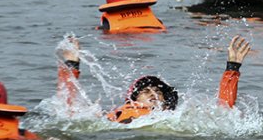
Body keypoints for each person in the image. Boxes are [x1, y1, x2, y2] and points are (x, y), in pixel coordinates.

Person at [57, 35, 252, 123]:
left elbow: (224, 112)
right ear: (133, 100)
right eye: (145, 92)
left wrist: (232, 68)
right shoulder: (114, 117)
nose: (153, 94)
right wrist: (71, 67)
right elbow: (70, 112)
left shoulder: (176, 118)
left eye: (158, 92)